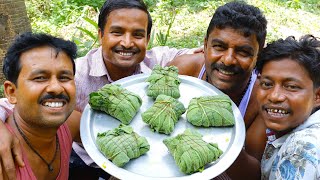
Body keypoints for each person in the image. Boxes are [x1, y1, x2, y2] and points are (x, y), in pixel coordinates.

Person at [0, 0, 201, 179]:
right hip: (84, 162)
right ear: (100, 35)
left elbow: (195, 54)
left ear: (147, 40)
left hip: (125, 159)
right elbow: (8, 105)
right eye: (117, 32)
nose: (127, 42)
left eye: (138, 35)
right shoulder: (75, 76)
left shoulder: (154, 62)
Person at [168, 2, 267, 179]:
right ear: (205, 46)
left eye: (243, 52)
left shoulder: (260, 99)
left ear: (257, 58)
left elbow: (251, 175)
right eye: (219, 47)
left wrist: (221, 138)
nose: (228, 60)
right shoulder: (183, 70)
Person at [0, 32, 82, 179]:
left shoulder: (72, 124)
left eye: (64, 77)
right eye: (40, 78)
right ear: (12, 92)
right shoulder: (4, 156)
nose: (56, 88)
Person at [256, 35, 320, 179]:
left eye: (291, 87)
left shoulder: (300, 149)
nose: (275, 96)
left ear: (317, 96)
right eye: (267, 84)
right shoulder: (292, 126)